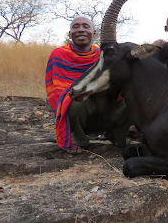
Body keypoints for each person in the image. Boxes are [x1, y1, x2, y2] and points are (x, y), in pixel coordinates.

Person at [45, 15, 129, 154]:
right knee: (72, 102)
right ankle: (80, 140)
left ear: (94, 33)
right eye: (75, 27)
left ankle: (117, 136)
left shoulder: (102, 55)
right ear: (70, 34)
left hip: (105, 106)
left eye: (86, 26)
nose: (81, 30)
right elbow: (58, 92)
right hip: (81, 110)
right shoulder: (58, 54)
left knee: (132, 99)